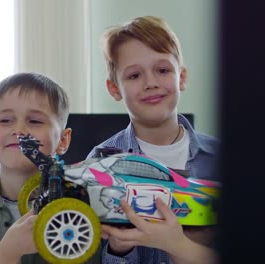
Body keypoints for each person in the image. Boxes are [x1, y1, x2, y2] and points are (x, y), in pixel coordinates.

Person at [86, 16, 219, 264]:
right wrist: (118, 249)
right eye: (135, 75)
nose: (150, 83)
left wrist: (177, 244)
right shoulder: (99, 163)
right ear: (115, 89)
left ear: (181, 78)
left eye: (162, 70)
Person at [0, 72, 100, 263]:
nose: (19, 130)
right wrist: (9, 250)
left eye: (35, 121)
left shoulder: (85, 196)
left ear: (63, 140)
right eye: (5, 120)